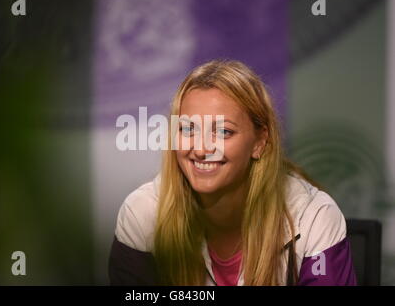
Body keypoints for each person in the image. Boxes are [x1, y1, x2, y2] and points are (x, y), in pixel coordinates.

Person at [108, 60, 357, 286]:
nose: (202, 148)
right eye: (188, 129)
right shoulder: (143, 213)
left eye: (223, 132)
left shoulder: (314, 217)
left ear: (260, 142)